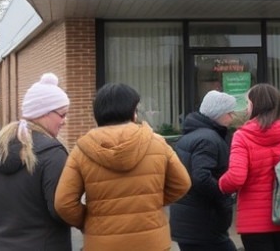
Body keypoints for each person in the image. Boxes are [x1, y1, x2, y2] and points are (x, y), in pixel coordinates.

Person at [55, 83, 191, 250]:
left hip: (102, 243)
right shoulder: (157, 143)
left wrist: (88, 221)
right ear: (133, 112)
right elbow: (182, 183)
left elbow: (64, 203)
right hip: (152, 242)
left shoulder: (82, 150)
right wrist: (151, 202)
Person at [0, 73, 72, 250]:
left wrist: (5, 233)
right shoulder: (53, 154)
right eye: (62, 115)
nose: (65, 121)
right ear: (43, 113)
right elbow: (60, 211)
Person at [218, 83, 280, 251]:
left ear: (254, 106)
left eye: (248, 104)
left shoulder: (242, 136)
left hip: (254, 223)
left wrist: (220, 183)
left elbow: (236, 177)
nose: (247, 109)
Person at [170, 90, 238, 251]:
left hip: (189, 222)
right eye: (230, 113)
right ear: (219, 114)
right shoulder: (208, 139)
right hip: (204, 223)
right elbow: (201, 177)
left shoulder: (190, 136)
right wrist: (224, 196)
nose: (233, 117)